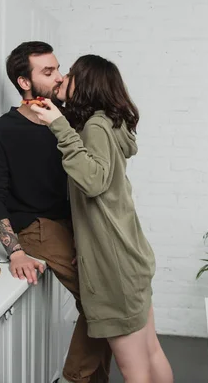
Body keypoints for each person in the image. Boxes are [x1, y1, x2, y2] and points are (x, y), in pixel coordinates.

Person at [30, 54, 174, 383]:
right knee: (152, 352)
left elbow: (93, 182)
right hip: (131, 256)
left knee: (134, 369)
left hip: (115, 269)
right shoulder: (109, 122)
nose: (63, 77)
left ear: (87, 83)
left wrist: (59, 126)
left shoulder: (94, 126)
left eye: (71, 73)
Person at [0, 42, 113, 383]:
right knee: (101, 301)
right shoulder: (3, 130)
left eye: (58, 69)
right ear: (24, 82)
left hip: (71, 223)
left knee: (110, 296)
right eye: (48, 72)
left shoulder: (68, 119)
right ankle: (77, 377)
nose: (59, 78)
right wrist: (15, 252)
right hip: (35, 227)